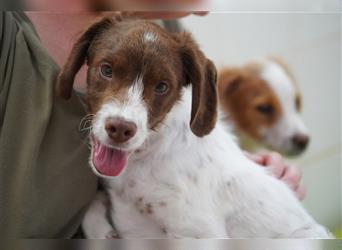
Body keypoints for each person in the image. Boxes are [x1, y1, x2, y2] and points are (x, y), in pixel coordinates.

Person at [0, 8, 305, 238]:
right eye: (107, 70)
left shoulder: (164, 28)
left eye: (160, 88)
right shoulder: (10, 37)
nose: (203, 10)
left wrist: (238, 174)